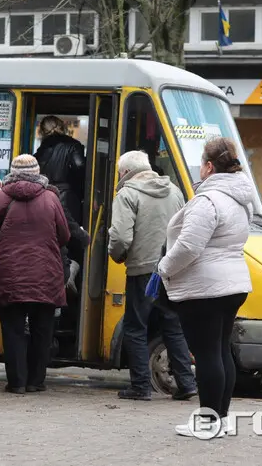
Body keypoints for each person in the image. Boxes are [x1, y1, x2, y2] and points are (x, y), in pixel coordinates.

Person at [157, 138, 253, 438]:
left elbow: (188, 246)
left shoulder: (208, 200)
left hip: (205, 288)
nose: (200, 168)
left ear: (209, 166)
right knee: (220, 350)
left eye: (202, 162)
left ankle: (208, 422)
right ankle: (220, 419)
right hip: (232, 283)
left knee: (208, 353)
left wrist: (163, 268)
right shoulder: (239, 199)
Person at [108, 150, 196, 402]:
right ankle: (187, 383)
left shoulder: (127, 194)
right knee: (173, 327)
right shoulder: (175, 191)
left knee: (136, 327)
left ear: (125, 172)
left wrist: (118, 255)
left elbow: (121, 237)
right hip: (171, 270)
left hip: (142, 271)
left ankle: (140, 387)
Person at [0, 154, 70, 394]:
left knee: (13, 330)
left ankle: (17, 382)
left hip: (10, 273)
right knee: (43, 330)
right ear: (38, 171)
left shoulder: (0, 197)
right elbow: (64, 235)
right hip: (46, 273)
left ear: (12, 172)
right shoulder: (51, 198)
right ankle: (36, 381)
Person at [33, 115, 86, 225]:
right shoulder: (73, 145)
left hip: (43, 197)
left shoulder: (41, 150)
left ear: (43, 131)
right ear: (62, 127)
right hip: (67, 199)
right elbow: (80, 166)